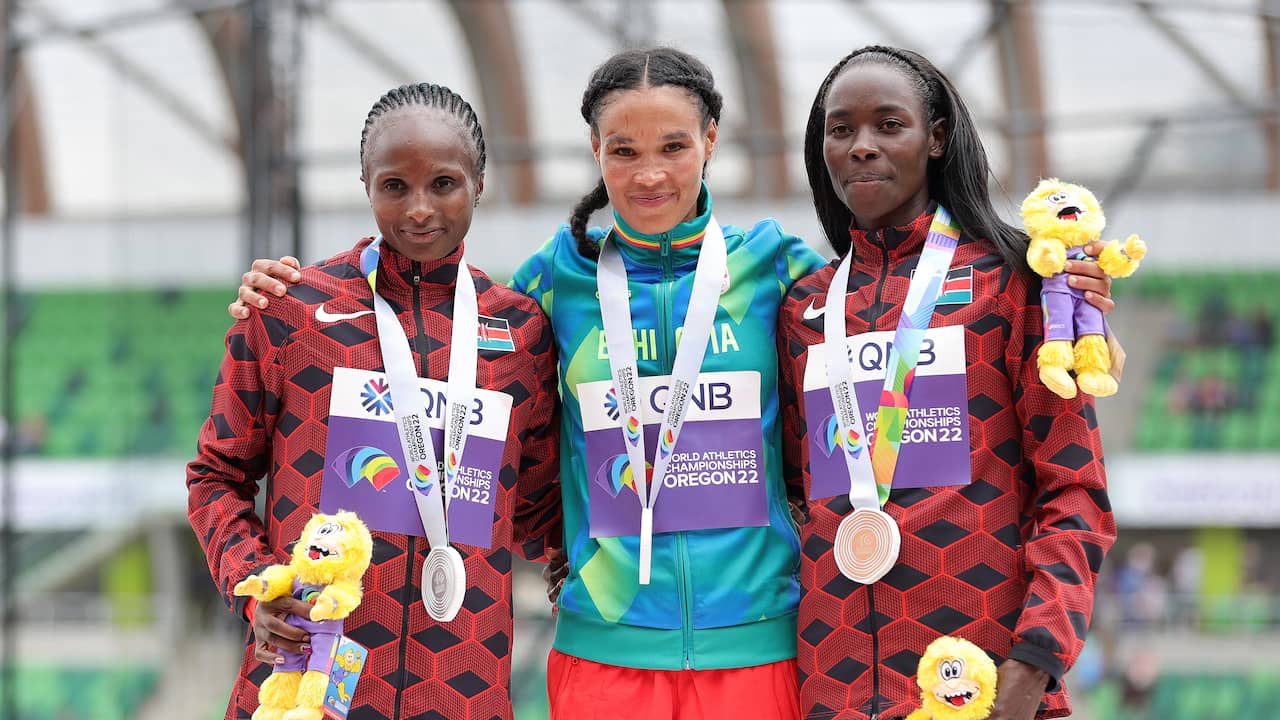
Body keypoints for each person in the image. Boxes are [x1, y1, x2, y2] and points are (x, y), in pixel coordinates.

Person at [231, 48, 1120, 720]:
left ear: (711, 145)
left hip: (771, 653)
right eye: (623, 149)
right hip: (602, 654)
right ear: (595, 151)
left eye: (673, 146)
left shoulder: (790, 279)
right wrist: (293, 286)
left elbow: (867, 410)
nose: (650, 172)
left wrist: (1072, 293)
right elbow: (465, 377)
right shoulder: (545, 290)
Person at [189, 83, 561, 720]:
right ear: (366, 183)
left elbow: (539, 509)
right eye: (395, 186)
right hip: (307, 677)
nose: (419, 209)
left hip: (463, 691)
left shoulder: (521, 335)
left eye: (444, 183)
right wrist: (258, 590)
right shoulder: (290, 313)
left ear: (480, 182)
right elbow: (214, 478)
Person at [776, 46, 1115, 720]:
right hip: (833, 688)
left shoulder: (1014, 284)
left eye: (888, 125)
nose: (862, 147)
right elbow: (797, 492)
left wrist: (1034, 668)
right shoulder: (803, 309)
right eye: (841, 130)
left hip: (984, 688)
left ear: (936, 138)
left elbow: (1075, 491)